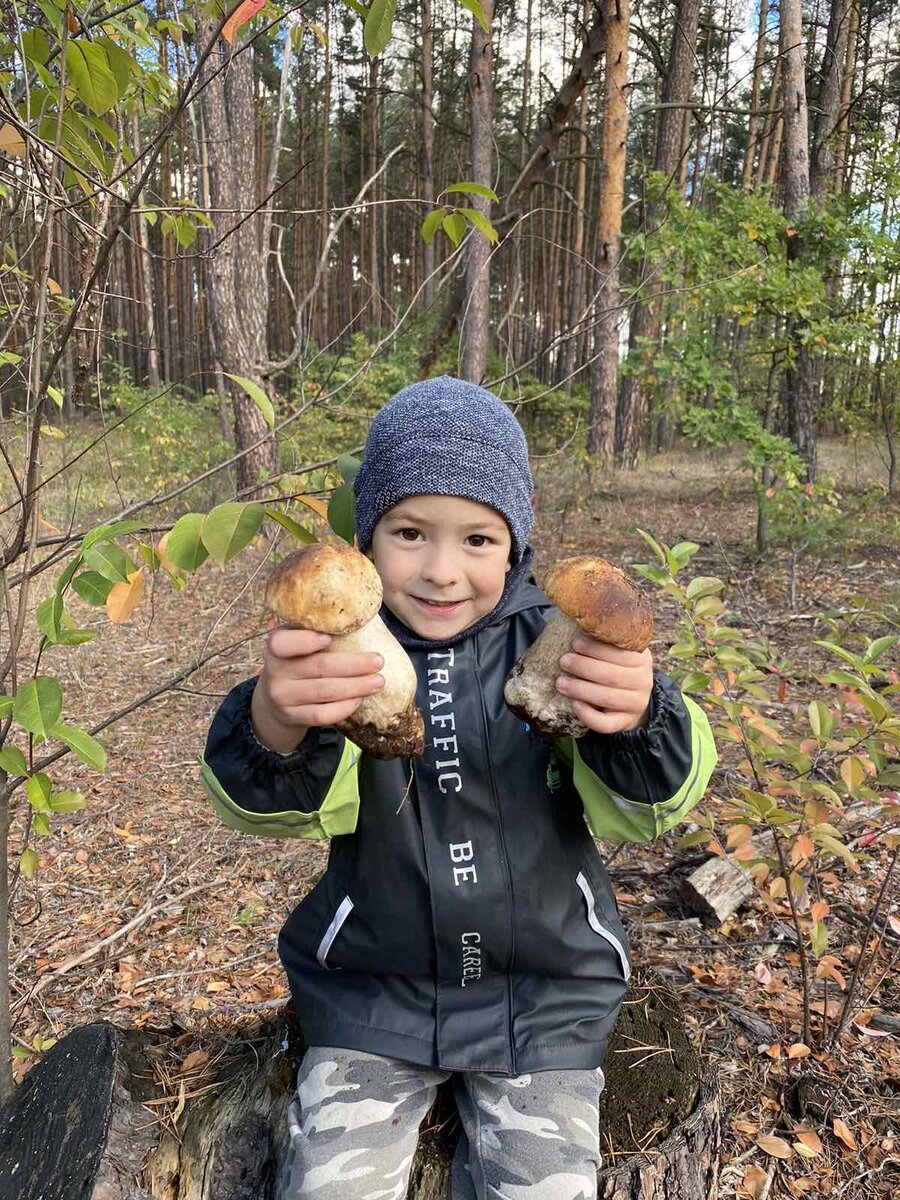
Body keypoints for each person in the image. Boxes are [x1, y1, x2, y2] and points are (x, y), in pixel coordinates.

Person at [201, 376, 717, 1200]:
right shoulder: (332, 660)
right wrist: (273, 723)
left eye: (477, 539)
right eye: (410, 532)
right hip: (375, 996)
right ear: (368, 541)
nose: (442, 571)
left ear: (516, 545)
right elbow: (274, 810)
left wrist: (641, 721)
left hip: (546, 998)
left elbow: (650, 809)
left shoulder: (562, 648)